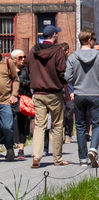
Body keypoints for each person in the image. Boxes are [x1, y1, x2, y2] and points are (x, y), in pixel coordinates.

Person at [65, 31, 99, 168]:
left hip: (79, 93)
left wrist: (76, 81)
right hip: (95, 93)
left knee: (80, 126)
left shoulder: (73, 57)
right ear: (89, 40)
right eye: (93, 39)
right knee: (96, 124)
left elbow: (67, 77)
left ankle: (83, 158)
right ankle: (93, 149)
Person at [28, 25, 69, 168]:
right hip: (53, 92)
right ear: (54, 35)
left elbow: (29, 68)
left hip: (37, 92)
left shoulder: (33, 50)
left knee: (40, 125)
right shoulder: (57, 51)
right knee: (57, 126)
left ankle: (36, 157)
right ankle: (57, 159)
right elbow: (62, 72)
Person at [11, 50, 31, 161]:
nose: (23, 59)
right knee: (9, 124)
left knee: (22, 123)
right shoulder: (8, 70)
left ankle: (21, 148)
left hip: (22, 99)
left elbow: (31, 83)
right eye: (20, 57)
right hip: (9, 99)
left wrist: (20, 80)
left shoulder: (26, 70)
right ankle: (10, 146)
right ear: (13, 59)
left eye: (24, 57)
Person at [0, 51, 19, 161]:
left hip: (5, 101)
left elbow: (16, 79)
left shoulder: (7, 62)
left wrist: (14, 95)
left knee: (7, 126)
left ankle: (9, 146)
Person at [60, 42, 75, 143]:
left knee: (69, 114)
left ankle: (68, 133)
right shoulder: (57, 62)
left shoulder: (71, 63)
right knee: (61, 113)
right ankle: (60, 134)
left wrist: (74, 91)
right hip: (60, 91)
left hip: (69, 91)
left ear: (67, 51)